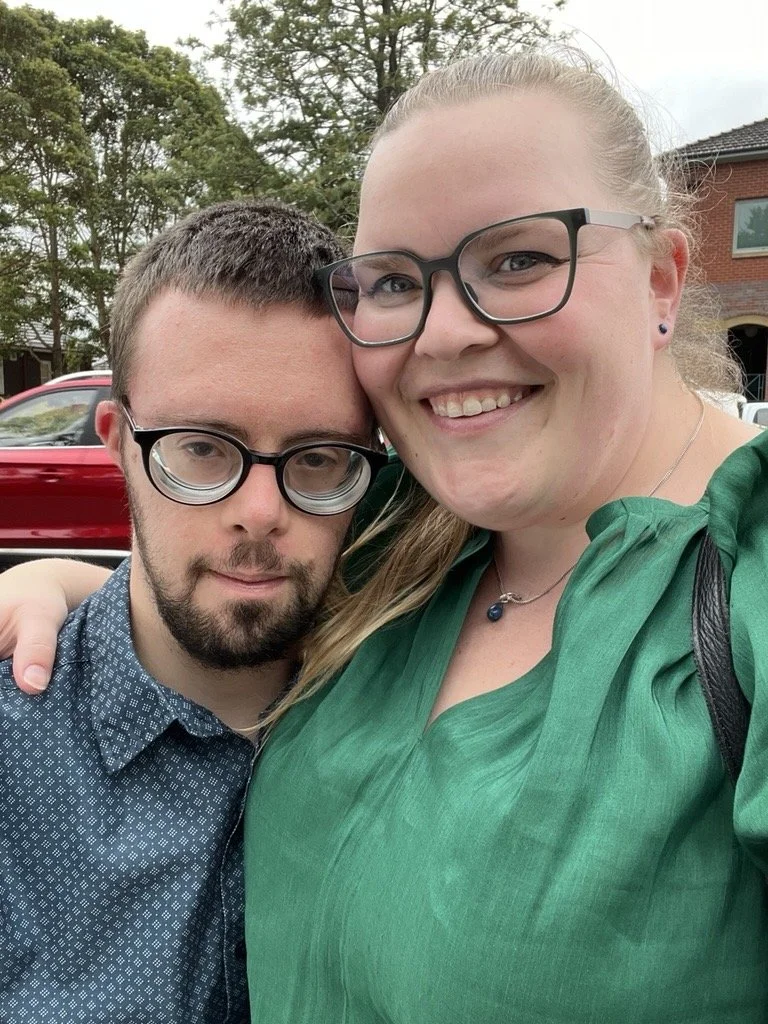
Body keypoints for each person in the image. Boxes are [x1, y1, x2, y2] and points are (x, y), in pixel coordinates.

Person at [3, 48, 768, 1022]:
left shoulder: (738, 589)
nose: (445, 333)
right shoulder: (409, 534)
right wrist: (59, 589)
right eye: (398, 281)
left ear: (662, 280)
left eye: (520, 259)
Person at [0, 199, 385, 1023]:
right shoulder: (14, 750)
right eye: (202, 448)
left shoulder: (429, 707)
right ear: (117, 442)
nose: (259, 512)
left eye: (318, 458)